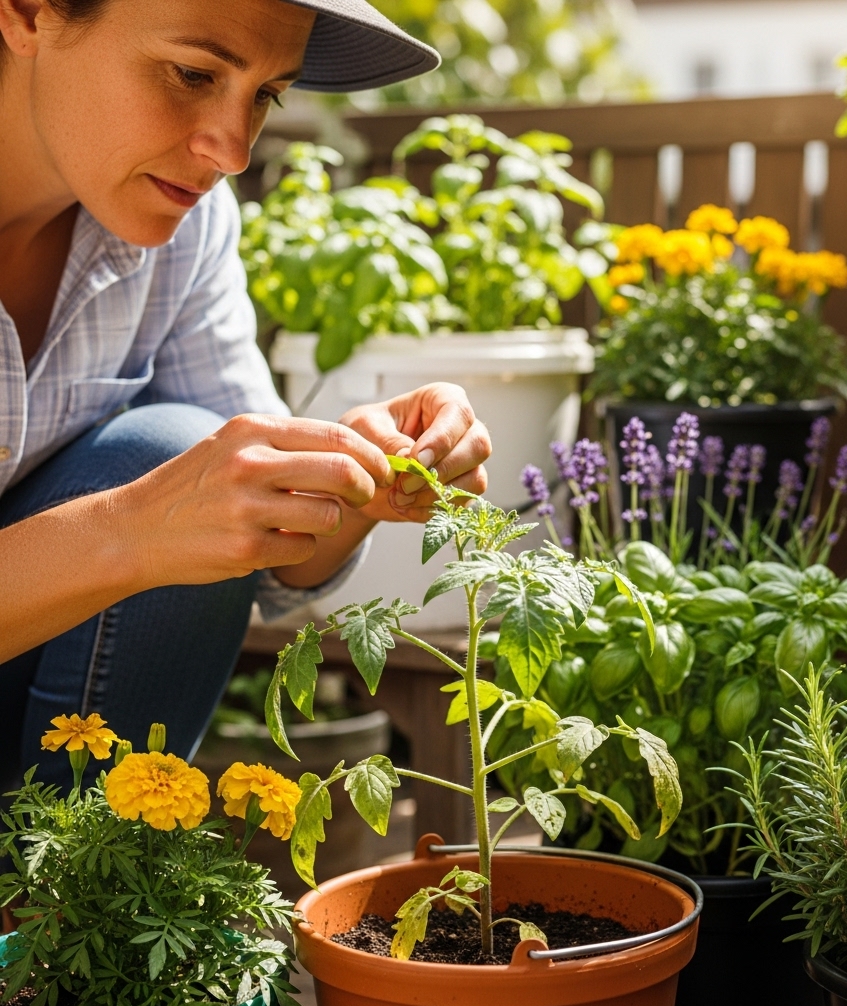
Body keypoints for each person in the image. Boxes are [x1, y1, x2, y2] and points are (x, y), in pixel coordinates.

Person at [0, 0, 491, 788]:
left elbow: (260, 567)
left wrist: (352, 479)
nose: (231, 150)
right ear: (27, 14)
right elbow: (155, 512)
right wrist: (132, 526)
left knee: (177, 447)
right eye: (193, 74)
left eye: (266, 95)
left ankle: (80, 902)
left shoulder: (182, 223)